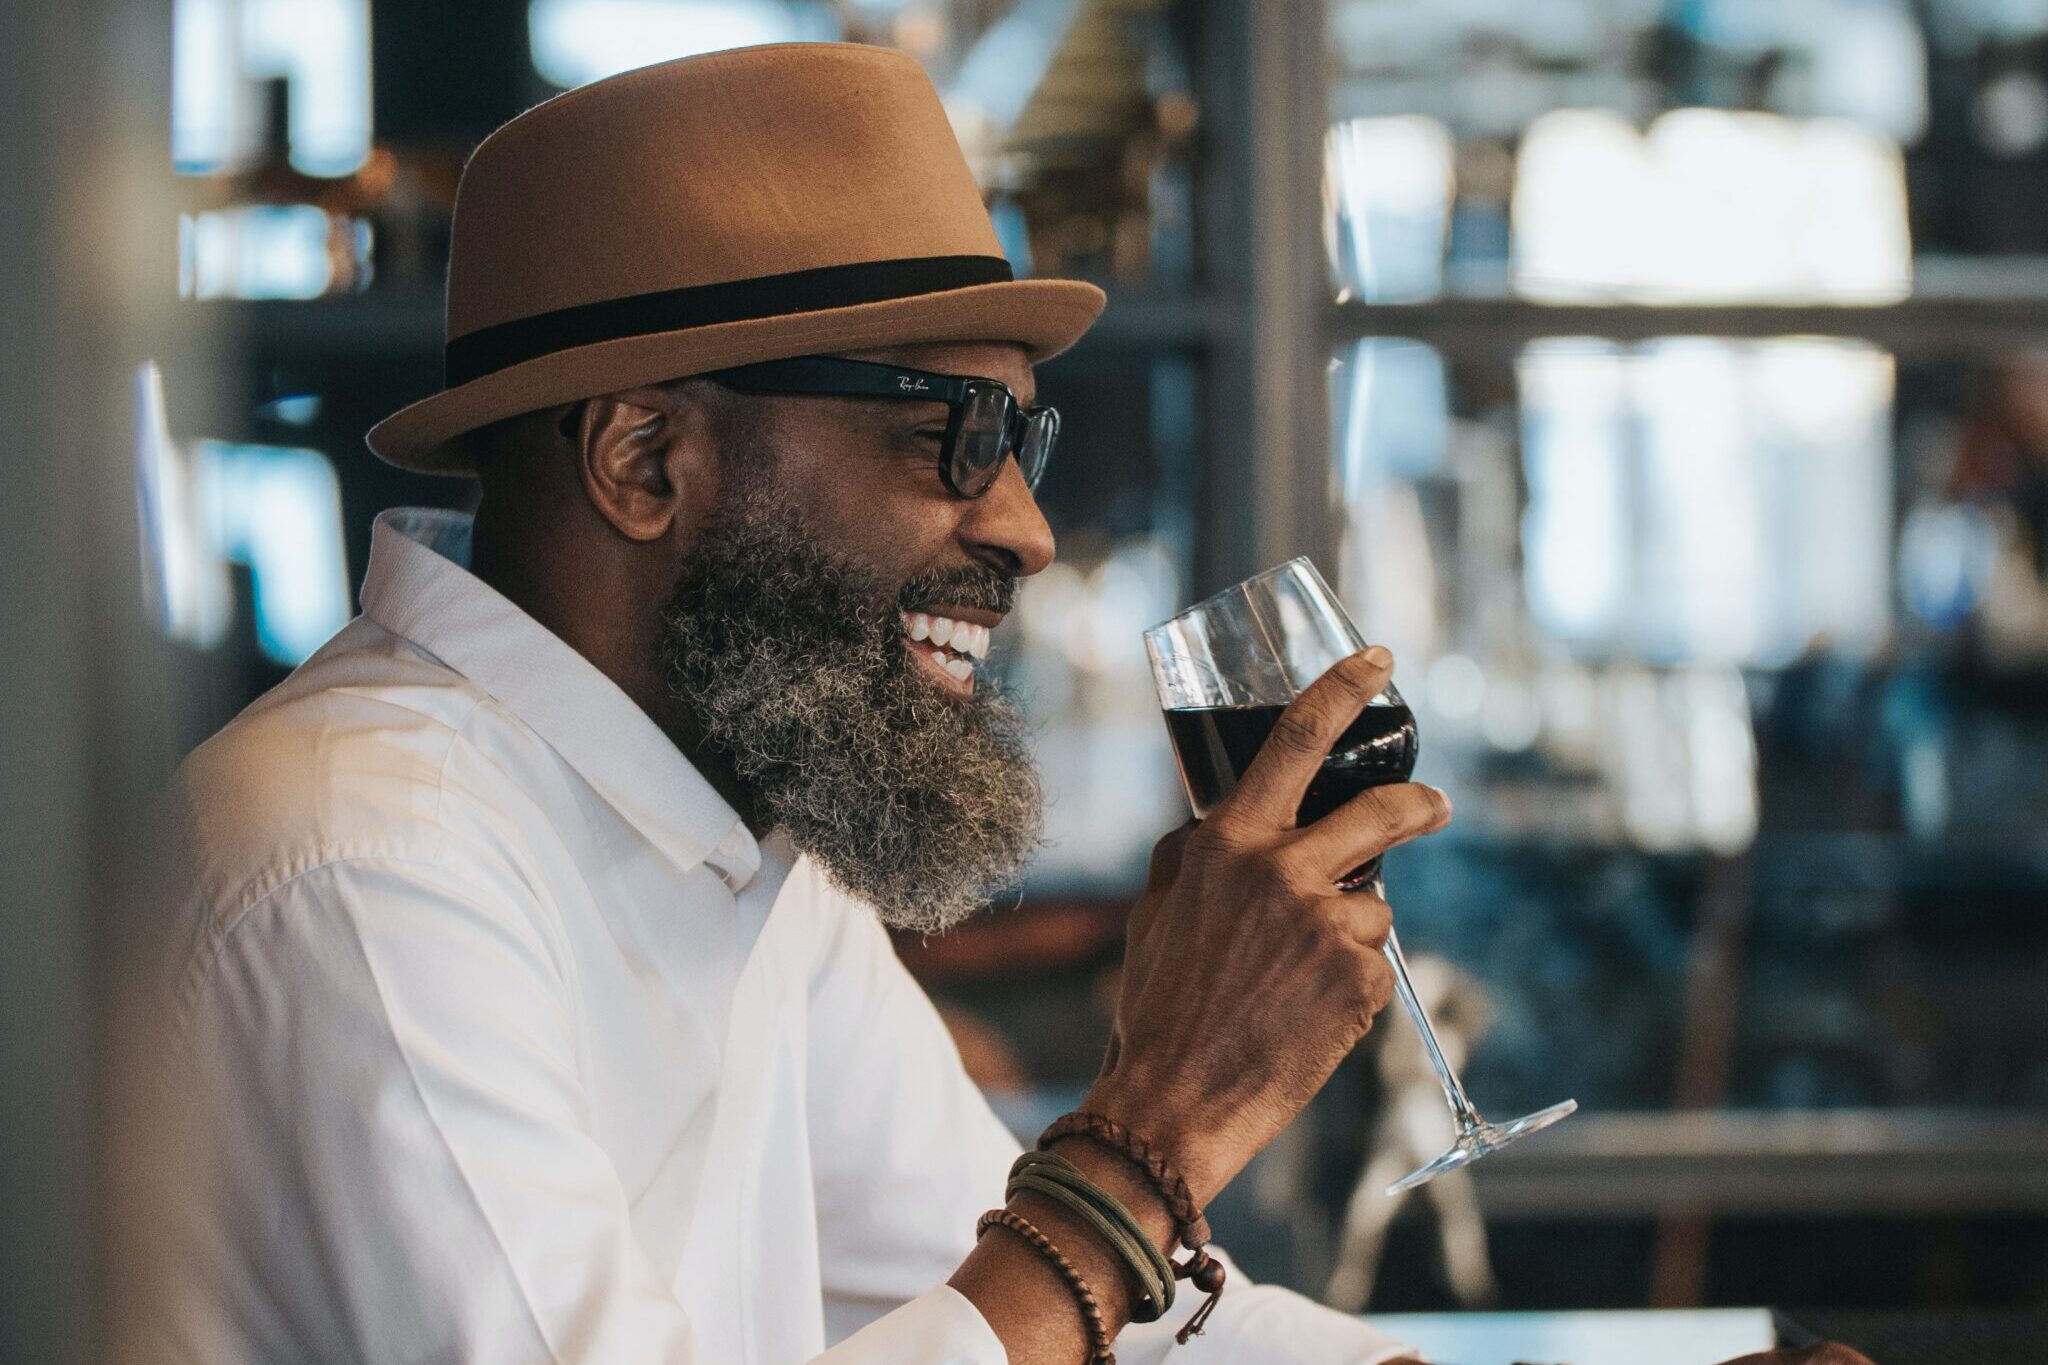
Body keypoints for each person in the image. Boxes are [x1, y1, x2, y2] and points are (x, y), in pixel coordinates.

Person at [117, 43, 1873, 1365]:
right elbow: (1072, 1265)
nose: (1025, 525)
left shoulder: (723, 838)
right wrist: (1147, 1135)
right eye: (947, 432)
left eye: (1020, 439)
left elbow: (1113, 1327)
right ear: (645, 455)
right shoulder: (361, 864)